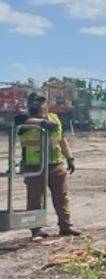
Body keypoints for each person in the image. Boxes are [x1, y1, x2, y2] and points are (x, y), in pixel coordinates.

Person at [15, 93, 78, 237]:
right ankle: (36, 229)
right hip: (34, 166)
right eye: (35, 102)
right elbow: (20, 124)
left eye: (41, 102)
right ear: (29, 104)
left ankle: (66, 226)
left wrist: (69, 157)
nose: (38, 105)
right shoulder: (23, 119)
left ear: (46, 104)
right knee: (35, 198)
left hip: (55, 163)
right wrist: (41, 123)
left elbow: (61, 139)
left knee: (61, 196)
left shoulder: (54, 118)